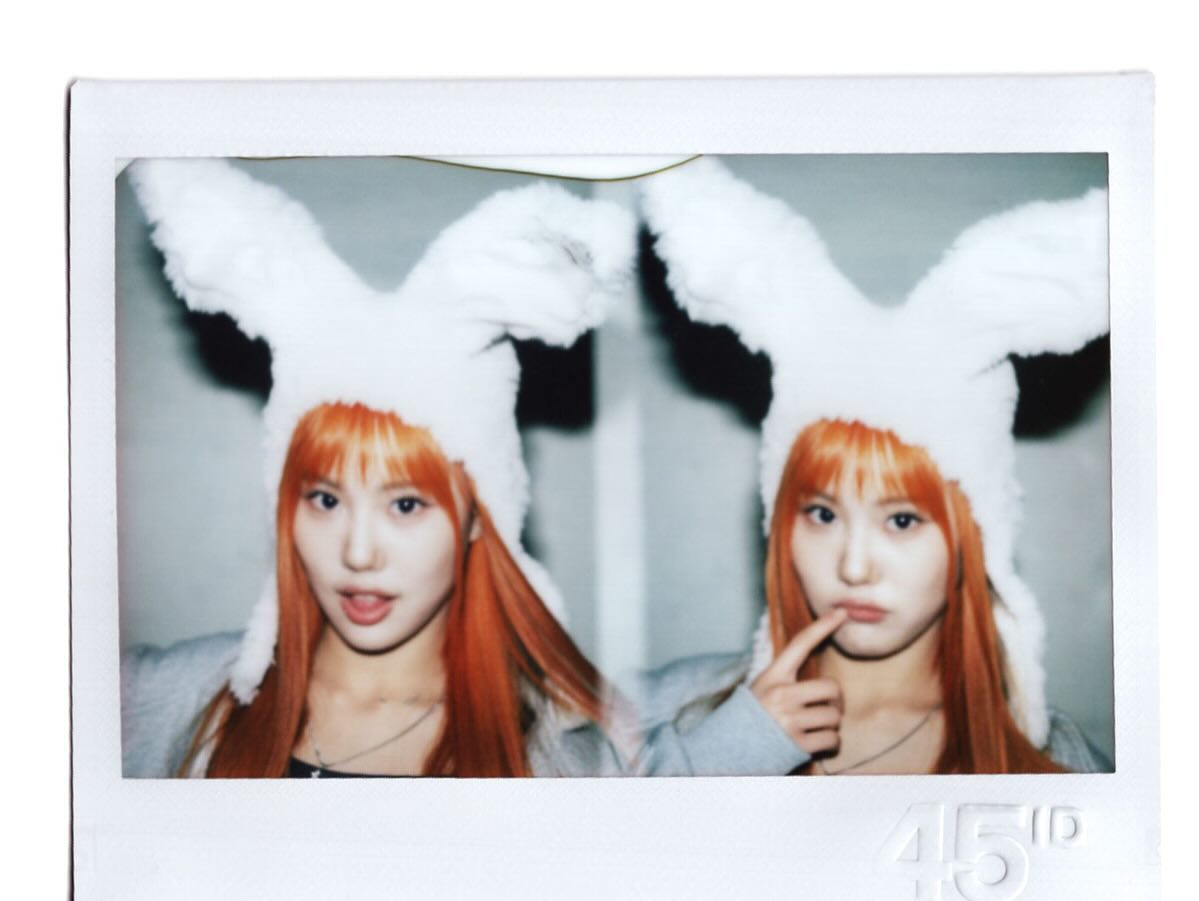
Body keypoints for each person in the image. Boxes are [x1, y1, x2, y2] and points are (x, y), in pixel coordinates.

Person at [120, 158, 636, 778]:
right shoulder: (153, 703)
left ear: (481, 515)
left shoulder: (582, 762)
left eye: (406, 505)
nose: (358, 554)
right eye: (325, 500)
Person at [636, 157, 1111, 775]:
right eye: (821, 513)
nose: (854, 567)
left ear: (974, 535)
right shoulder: (659, 714)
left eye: (903, 521)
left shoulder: (1056, 768)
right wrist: (722, 755)